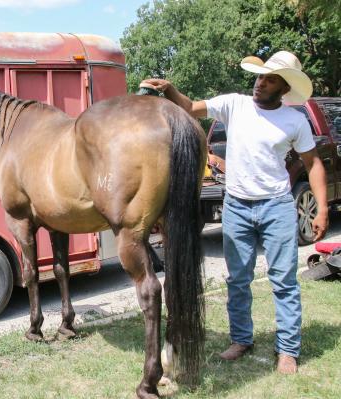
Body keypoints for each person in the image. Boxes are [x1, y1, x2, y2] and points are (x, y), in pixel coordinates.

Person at [141, 50, 329, 374]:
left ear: (284, 88)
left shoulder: (295, 120)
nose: (261, 83)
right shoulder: (235, 104)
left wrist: (322, 208)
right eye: (260, 76)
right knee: (237, 279)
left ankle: (287, 350)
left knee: (283, 280)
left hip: (277, 207)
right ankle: (241, 339)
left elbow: (313, 163)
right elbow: (190, 108)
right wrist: (169, 88)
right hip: (237, 207)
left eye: (270, 79)